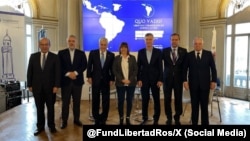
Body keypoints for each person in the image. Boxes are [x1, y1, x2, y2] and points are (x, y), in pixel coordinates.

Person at [27, 37, 60, 135]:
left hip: (50, 88)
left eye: (46, 44)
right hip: (37, 88)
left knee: (51, 108)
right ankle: (40, 127)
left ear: (49, 45)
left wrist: (56, 86)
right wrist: (29, 84)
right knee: (39, 108)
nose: (44, 46)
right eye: (42, 44)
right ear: (39, 45)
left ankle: (51, 126)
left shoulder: (55, 57)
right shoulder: (33, 56)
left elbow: (58, 72)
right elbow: (30, 72)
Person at [183, 37, 217, 125]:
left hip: (205, 85)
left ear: (202, 44)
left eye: (199, 43)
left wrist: (213, 81)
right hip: (193, 85)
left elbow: (213, 69)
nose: (197, 45)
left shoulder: (208, 54)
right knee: (194, 107)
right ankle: (194, 123)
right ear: (193, 44)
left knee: (204, 107)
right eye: (195, 44)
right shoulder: (189, 55)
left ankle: (205, 124)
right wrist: (185, 81)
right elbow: (184, 69)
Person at [57, 35, 87, 129]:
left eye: (73, 41)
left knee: (77, 102)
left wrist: (75, 73)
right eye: (69, 41)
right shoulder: (61, 53)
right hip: (65, 82)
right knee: (65, 102)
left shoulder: (81, 53)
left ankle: (76, 119)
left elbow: (84, 65)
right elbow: (59, 66)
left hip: (77, 82)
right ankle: (64, 121)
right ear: (67, 42)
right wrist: (68, 74)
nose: (71, 43)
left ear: (76, 42)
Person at [86, 37, 115, 125]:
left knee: (106, 100)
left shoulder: (111, 55)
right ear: (99, 44)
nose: (103, 46)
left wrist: (112, 79)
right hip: (95, 80)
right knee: (95, 99)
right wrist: (89, 77)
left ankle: (104, 118)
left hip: (106, 80)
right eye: (101, 44)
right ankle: (96, 118)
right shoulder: (93, 53)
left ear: (107, 45)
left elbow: (112, 69)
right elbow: (89, 66)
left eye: (104, 45)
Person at [137, 33, 163, 125]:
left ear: (153, 40)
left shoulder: (158, 52)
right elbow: (138, 67)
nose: (148, 41)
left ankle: (156, 119)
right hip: (144, 80)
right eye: (147, 39)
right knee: (145, 99)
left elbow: (160, 67)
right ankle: (145, 118)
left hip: (156, 80)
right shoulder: (140, 52)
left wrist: (160, 79)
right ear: (144, 41)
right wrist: (139, 79)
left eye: (150, 39)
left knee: (156, 99)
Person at [162, 33, 187, 125]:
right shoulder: (164, 51)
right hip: (167, 79)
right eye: (172, 39)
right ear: (170, 40)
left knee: (178, 99)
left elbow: (185, 67)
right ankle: (169, 117)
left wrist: (185, 80)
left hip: (178, 79)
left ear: (179, 40)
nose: (174, 41)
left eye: (176, 39)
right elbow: (159, 65)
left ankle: (177, 117)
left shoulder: (184, 51)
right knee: (167, 99)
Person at [112, 42, 138, 125]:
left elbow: (135, 70)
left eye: (125, 47)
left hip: (131, 83)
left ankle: (127, 118)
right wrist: (122, 80)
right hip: (120, 83)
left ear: (127, 48)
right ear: (120, 49)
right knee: (121, 101)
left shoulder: (132, 58)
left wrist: (130, 80)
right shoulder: (116, 58)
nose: (123, 49)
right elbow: (114, 70)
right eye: (122, 47)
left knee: (129, 101)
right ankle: (121, 118)